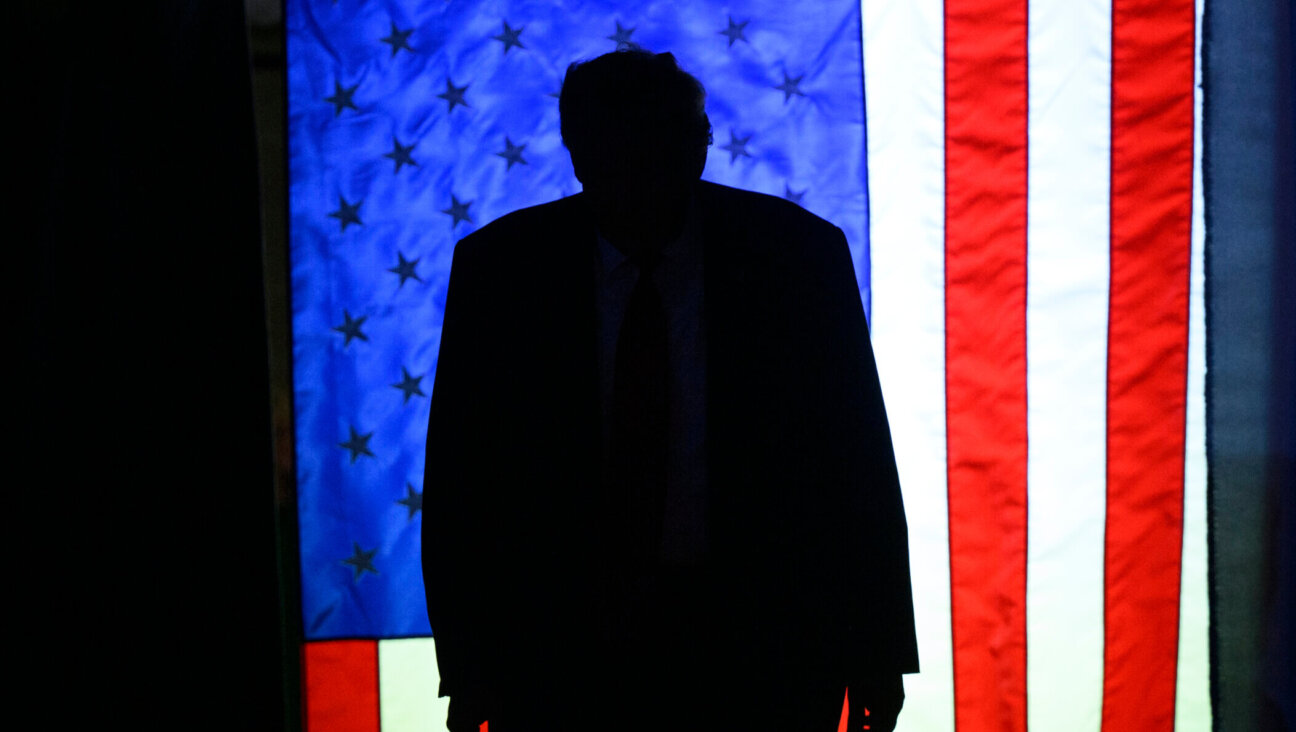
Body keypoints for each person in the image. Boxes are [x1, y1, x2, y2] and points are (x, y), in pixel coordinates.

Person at [422, 49, 918, 732]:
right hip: (560, 660)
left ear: (697, 149)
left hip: (762, 655)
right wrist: (470, 668)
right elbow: (464, 484)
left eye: (659, 148)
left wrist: (876, 649)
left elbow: (854, 462)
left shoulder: (798, 261)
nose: (640, 177)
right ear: (578, 153)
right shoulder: (500, 274)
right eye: (620, 151)